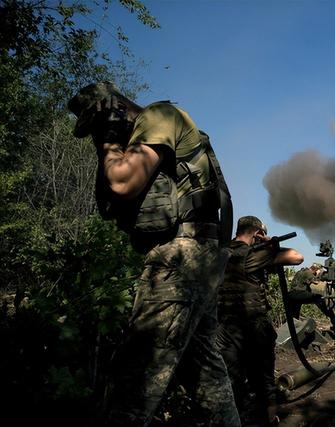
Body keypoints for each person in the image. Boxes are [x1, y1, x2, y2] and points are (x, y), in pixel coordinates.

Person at [68, 81, 240, 426]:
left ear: (110, 109)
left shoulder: (158, 116)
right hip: (200, 255)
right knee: (205, 374)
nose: (96, 135)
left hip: (181, 258)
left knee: (136, 373)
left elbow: (122, 181)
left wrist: (110, 140)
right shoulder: (160, 126)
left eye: (96, 123)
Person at [216, 216, 303, 426]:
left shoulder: (221, 251)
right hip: (254, 327)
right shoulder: (252, 254)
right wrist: (270, 243)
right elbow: (296, 257)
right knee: (263, 380)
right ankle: (270, 419)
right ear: (256, 233)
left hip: (224, 327)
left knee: (232, 377)